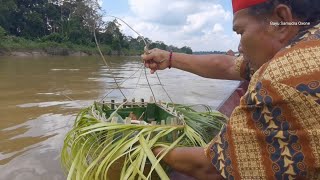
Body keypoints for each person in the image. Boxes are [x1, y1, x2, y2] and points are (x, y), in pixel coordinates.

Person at [141, 0, 320, 179]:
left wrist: (146, 145)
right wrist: (169, 58)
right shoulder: (309, 42)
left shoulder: (285, 76)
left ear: (281, 21)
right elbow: (228, 66)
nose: (239, 47)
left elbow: (213, 167)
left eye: (241, 32)